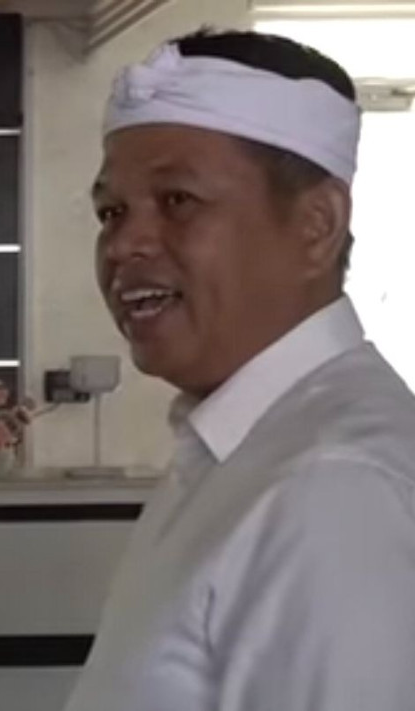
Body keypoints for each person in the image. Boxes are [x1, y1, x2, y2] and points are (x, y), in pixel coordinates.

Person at [65, 29, 415, 711]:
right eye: (112, 211)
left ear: (316, 225)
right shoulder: (240, 450)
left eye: (177, 200)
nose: (124, 244)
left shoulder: (332, 485)